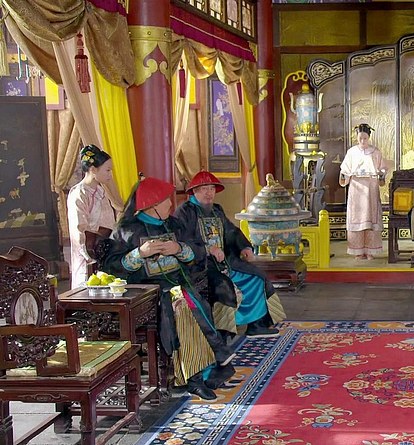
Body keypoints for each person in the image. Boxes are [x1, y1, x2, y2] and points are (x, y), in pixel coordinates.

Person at [102, 176, 236, 401]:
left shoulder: (174, 224)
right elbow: (112, 267)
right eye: (165, 201)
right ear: (152, 204)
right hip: (149, 292)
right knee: (184, 307)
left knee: (189, 302)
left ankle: (203, 369)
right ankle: (199, 374)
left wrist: (178, 249)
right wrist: (139, 253)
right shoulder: (127, 229)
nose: (170, 205)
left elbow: (197, 250)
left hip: (178, 284)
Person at [174, 171, 285, 339]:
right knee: (223, 286)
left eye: (212, 189)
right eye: (204, 189)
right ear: (194, 191)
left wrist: (244, 247)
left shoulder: (216, 210)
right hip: (200, 265)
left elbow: (231, 231)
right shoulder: (185, 212)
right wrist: (207, 249)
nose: (209, 193)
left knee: (256, 277)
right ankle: (223, 332)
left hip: (224, 261)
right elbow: (182, 240)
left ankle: (256, 324)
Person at [67, 145, 117, 288]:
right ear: (93, 169)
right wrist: (91, 256)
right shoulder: (79, 194)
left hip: (105, 251)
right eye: (107, 170)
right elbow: (79, 230)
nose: (110, 175)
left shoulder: (101, 192)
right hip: (88, 255)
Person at [340, 123, 385, 259]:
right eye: (360, 138)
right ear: (357, 137)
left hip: (371, 188)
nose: (363, 141)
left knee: (371, 219)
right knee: (357, 219)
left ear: (369, 137)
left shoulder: (375, 152)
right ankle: (358, 251)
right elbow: (345, 169)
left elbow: (382, 168)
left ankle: (370, 251)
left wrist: (381, 174)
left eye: (365, 138)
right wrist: (345, 174)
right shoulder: (352, 152)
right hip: (356, 189)